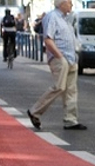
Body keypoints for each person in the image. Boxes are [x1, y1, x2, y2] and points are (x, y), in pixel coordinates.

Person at [26, 0, 84, 131]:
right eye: (69, 2)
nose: (71, 5)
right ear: (61, 3)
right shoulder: (52, 17)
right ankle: (34, 111)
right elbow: (48, 39)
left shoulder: (66, 19)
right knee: (59, 87)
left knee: (71, 90)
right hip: (61, 58)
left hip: (71, 58)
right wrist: (59, 56)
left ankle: (71, 120)